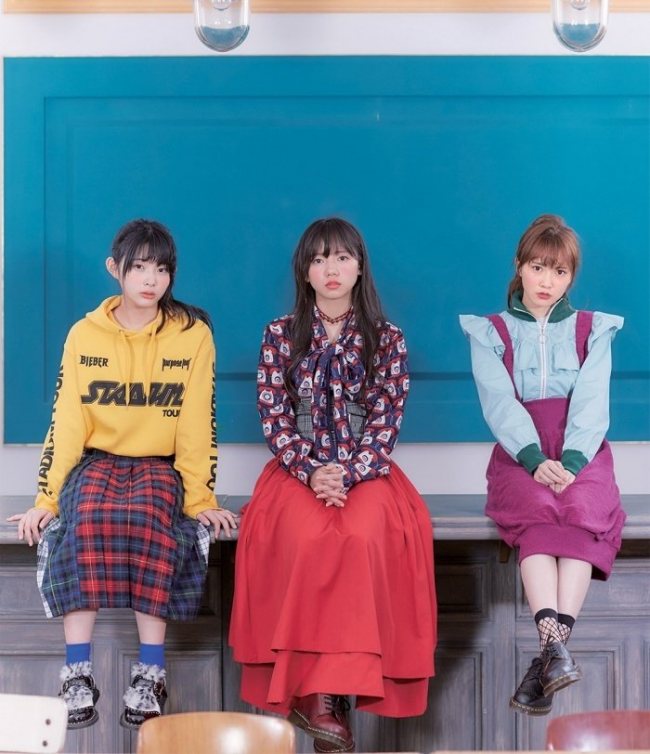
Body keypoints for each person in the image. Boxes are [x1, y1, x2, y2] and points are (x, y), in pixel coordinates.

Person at [8, 219, 236, 730]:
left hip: (158, 464)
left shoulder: (192, 335)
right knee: (85, 517)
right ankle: (77, 672)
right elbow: (67, 421)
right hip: (98, 459)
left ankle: (150, 674)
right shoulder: (84, 334)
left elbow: (198, 423)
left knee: (152, 520)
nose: (151, 280)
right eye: (140, 268)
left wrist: (200, 500)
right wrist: (46, 499)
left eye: (162, 269)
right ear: (116, 269)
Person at [229, 217, 437, 754]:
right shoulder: (279, 334)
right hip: (296, 471)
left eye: (342, 257)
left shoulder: (387, 339)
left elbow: (387, 419)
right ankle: (317, 694)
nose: (331, 269)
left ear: (360, 267)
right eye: (319, 259)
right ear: (305, 271)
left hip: (365, 472)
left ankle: (338, 692)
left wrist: (347, 472)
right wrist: (311, 469)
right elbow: (273, 416)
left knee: (362, 537)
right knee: (306, 537)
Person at [460, 214, 626, 716]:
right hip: (520, 452)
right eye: (538, 267)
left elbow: (592, 401)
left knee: (580, 512)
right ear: (519, 266)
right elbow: (499, 402)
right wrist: (533, 459)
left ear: (571, 277)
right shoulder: (491, 332)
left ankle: (549, 656)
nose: (547, 281)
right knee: (536, 512)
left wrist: (572, 462)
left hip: (582, 447)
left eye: (559, 271)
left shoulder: (592, 329)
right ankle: (555, 653)